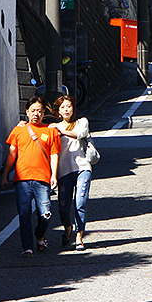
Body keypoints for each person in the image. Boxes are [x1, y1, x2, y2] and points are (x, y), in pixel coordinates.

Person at [2, 96, 61, 256]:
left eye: (40, 111)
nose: (36, 114)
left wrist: (54, 175)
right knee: (24, 213)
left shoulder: (50, 131)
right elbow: (11, 155)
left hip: (43, 179)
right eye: (33, 110)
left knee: (46, 213)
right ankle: (27, 246)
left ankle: (40, 234)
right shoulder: (18, 130)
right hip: (22, 180)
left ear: (44, 113)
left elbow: (54, 155)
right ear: (27, 111)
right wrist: (5, 175)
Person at [50, 95, 92, 251]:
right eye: (63, 107)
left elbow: (80, 134)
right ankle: (68, 228)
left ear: (73, 108)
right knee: (63, 207)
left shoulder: (82, 122)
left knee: (80, 202)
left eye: (69, 106)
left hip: (83, 167)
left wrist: (60, 130)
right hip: (64, 171)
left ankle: (79, 236)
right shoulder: (53, 128)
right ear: (58, 111)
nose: (66, 109)